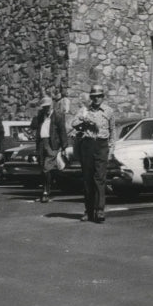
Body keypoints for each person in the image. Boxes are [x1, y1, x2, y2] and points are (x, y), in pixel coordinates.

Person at [68, 84, 114, 223]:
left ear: (103, 97)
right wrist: (84, 119)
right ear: (91, 97)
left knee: (100, 178)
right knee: (88, 180)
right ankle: (88, 211)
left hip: (101, 145)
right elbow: (73, 123)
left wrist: (111, 149)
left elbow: (113, 131)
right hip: (87, 145)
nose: (96, 99)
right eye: (94, 96)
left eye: (99, 96)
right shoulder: (85, 110)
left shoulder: (109, 111)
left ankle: (99, 210)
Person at [30, 95, 67, 203]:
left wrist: (64, 146)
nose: (46, 109)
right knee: (43, 167)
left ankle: (46, 192)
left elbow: (62, 131)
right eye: (44, 107)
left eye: (47, 106)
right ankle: (46, 189)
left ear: (51, 106)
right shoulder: (41, 116)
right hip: (41, 143)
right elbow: (33, 126)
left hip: (52, 144)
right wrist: (37, 114)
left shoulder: (58, 116)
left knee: (46, 167)